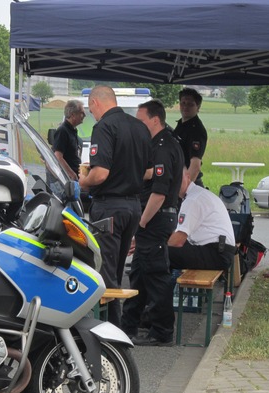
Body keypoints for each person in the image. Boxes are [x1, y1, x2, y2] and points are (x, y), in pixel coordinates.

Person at [78, 85, 152, 327]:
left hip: (109, 207)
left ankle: (111, 332)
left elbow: (99, 174)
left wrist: (82, 182)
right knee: (117, 270)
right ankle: (113, 327)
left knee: (105, 273)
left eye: (90, 110)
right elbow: (149, 171)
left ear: (96, 103)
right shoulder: (140, 127)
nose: (92, 115)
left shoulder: (104, 127)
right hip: (133, 206)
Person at [121, 100, 184, 346]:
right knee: (139, 274)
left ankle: (162, 331)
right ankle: (129, 326)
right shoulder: (164, 143)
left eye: (141, 120)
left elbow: (159, 192)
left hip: (155, 218)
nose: (139, 125)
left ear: (155, 120)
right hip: (157, 218)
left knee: (156, 277)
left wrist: (141, 224)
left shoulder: (162, 147)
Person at [168, 168, 236, 271]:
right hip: (219, 250)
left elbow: (178, 241)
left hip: (218, 253)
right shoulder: (197, 194)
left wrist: (156, 247)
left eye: (178, 179)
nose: (175, 183)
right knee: (165, 250)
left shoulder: (192, 199)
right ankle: (175, 283)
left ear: (188, 176)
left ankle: (165, 286)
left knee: (160, 254)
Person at [174, 88, 207, 186]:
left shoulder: (196, 131)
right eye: (183, 103)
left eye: (190, 104)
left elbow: (195, 166)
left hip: (189, 183)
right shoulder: (181, 124)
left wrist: (184, 189)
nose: (185, 107)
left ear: (198, 107)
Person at [52, 99, 85, 175]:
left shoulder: (72, 130)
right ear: (73, 115)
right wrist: (71, 174)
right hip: (68, 180)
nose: (84, 116)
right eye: (82, 113)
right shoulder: (62, 131)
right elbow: (58, 156)